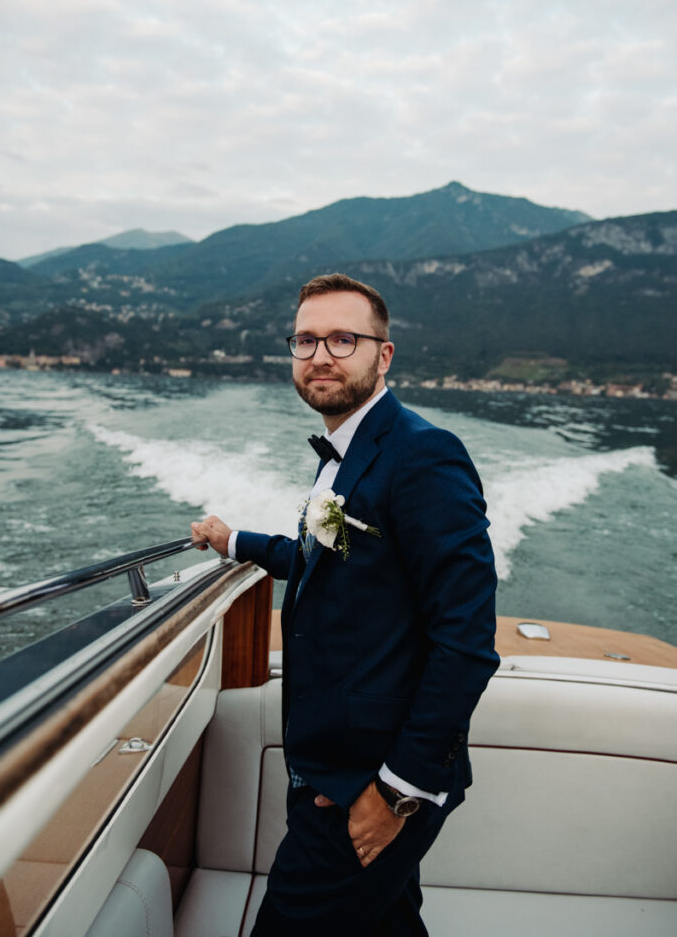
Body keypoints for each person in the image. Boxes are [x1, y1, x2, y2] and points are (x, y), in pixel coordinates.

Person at [191, 273, 499, 937]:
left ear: (382, 355)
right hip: (329, 763)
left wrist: (397, 792)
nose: (320, 355)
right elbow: (327, 560)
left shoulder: (423, 456)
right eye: (305, 340)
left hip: (371, 781)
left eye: (342, 339)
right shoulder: (344, 454)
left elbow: (466, 640)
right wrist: (235, 541)